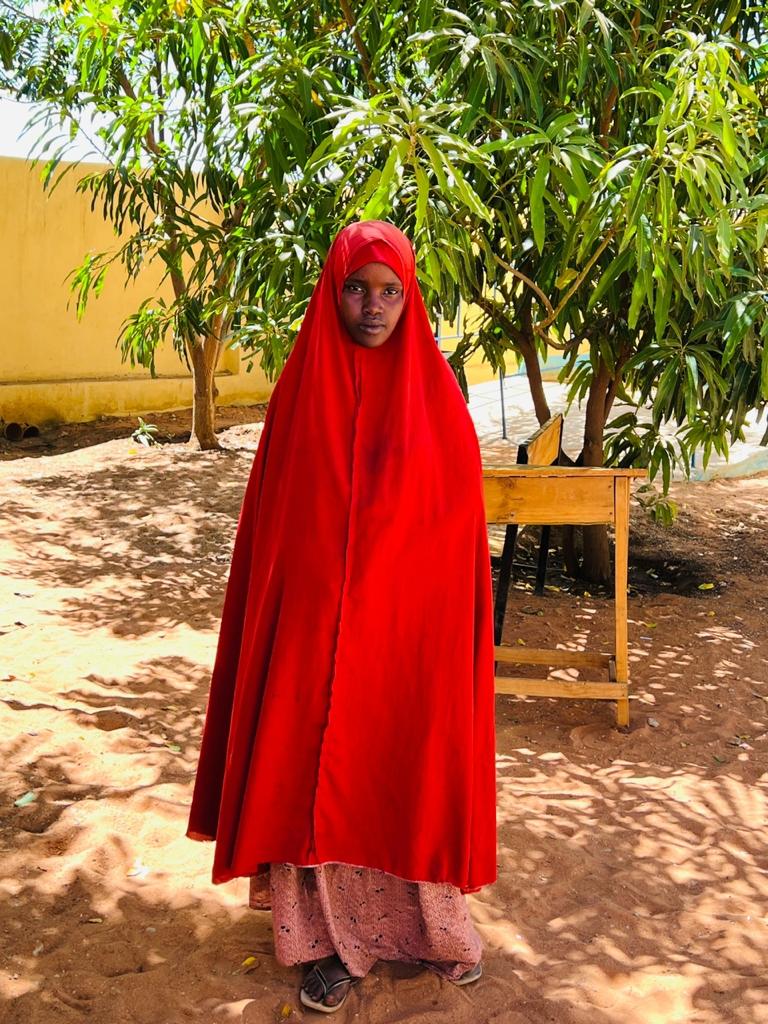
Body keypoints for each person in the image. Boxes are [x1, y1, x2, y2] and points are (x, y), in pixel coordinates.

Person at [187, 220, 497, 1013]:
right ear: (333, 289)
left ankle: (433, 934)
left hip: (406, 640)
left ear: (411, 297)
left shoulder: (437, 399)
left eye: (391, 291)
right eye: (357, 287)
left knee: (408, 769)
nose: (373, 306)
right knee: (309, 769)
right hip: (313, 637)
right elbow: (278, 530)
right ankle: (322, 947)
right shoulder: (299, 394)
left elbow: (454, 527)